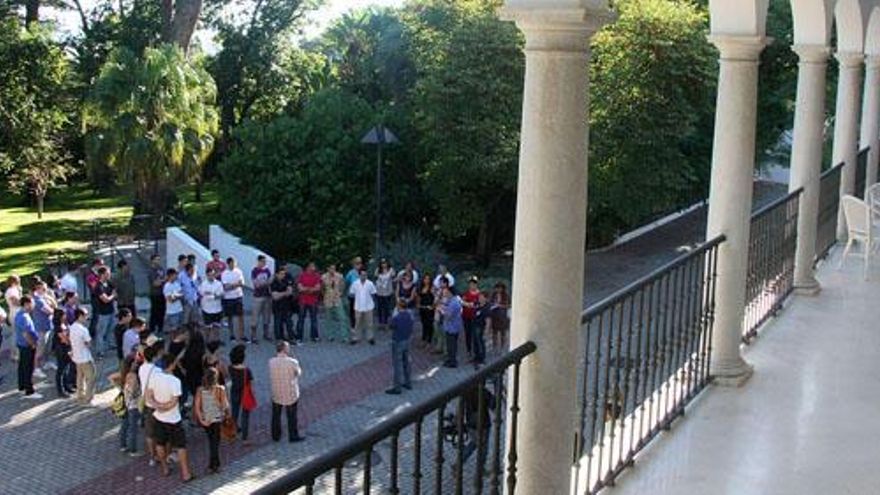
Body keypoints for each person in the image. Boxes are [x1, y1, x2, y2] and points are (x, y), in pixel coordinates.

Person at [146, 351, 195, 482]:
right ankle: (185, 473)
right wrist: (165, 407)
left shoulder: (154, 377)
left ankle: (165, 468)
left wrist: (158, 406)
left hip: (158, 417)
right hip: (173, 419)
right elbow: (174, 402)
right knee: (181, 445)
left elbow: (149, 396)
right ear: (172, 365)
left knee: (160, 443)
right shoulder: (175, 381)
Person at [194, 367, 230, 474]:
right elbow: (225, 406)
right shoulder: (220, 389)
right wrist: (226, 413)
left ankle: (213, 465)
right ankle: (214, 465)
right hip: (217, 419)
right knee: (215, 442)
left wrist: (201, 420)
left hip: (206, 420)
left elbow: (197, 407)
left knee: (211, 441)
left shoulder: (200, 390)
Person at [269, 340, 305, 442]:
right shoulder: (292, 362)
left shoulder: (271, 361)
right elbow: (298, 373)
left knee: (276, 415)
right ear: (285, 349)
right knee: (292, 416)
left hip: (276, 392)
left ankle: (275, 435)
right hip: (290, 392)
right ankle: (293, 435)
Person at [69, 307, 97, 404]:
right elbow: (89, 343)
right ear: (80, 316)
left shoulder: (72, 327)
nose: (87, 317)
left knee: (79, 378)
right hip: (85, 357)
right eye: (85, 315)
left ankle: (80, 396)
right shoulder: (83, 330)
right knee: (91, 378)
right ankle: (88, 399)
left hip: (76, 357)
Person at [386, 300, 413, 395]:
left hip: (398, 341)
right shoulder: (409, 315)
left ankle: (397, 387)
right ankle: (408, 382)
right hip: (407, 340)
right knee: (406, 362)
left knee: (397, 365)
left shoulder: (397, 317)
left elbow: (390, 326)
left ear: (399, 307)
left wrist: (392, 316)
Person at [15, 296, 40, 398]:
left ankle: (22, 387)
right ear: (26, 304)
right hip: (26, 345)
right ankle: (29, 391)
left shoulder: (20, 314)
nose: (33, 305)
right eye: (32, 303)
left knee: (22, 366)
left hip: (22, 344)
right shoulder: (24, 317)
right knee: (28, 368)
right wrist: (32, 344)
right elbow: (26, 334)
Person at [228, 344, 253, 444]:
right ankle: (245, 438)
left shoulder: (230, 368)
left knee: (234, 413)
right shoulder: (247, 370)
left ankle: (232, 436)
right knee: (245, 415)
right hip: (245, 393)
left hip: (234, 392)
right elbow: (251, 383)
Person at [118, 356, 142, 456]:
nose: (137, 364)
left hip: (127, 403)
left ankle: (123, 445)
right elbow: (133, 392)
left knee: (125, 425)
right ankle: (133, 449)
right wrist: (139, 393)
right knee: (133, 428)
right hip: (134, 404)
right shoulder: (133, 376)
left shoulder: (125, 374)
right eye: (135, 362)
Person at [30, 279, 55, 374]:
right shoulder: (38, 300)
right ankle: (36, 368)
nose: (46, 291)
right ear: (38, 289)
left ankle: (46, 362)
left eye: (46, 289)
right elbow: (50, 311)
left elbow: (54, 306)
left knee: (47, 347)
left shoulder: (44, 299)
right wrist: (51, 304)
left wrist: (50, 300)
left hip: (47, 326)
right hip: (41, 328)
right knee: (40, 349)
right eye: (44, 289)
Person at [92, 267, 117, 356]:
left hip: (111, 310)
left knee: (110, 329)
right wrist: (112, 296)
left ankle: (109, 344)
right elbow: (105, 299)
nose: (109, 275)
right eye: (107, 273)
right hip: (102, 313)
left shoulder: (109, 283)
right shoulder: (98, 286)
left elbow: (114, 290)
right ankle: (100, 351)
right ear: (102, 274)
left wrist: (112, 296)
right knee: (101, 332)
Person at [320, 264, 348, 342]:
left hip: (337, 299)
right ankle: (330, 336)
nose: (333, 270)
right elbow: (322, 288)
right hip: (328, 299)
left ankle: (344, 336)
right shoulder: (324, 277)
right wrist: (324, 295)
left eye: (334, 268)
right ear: (328, 268)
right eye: (331, 268)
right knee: (329, 319)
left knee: (342, 318)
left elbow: (343, 285)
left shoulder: (339, 276)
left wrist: (341, 292)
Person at [349, 269, 377, 345]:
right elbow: (351, 294)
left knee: (369, 323)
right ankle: (356, 338)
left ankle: (370, 338)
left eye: (365, 275)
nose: (363, 276)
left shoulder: (370, 283)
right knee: (357, 323)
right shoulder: (355, 283)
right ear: (359, 275)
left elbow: (373, 293)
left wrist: (372, 304)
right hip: (358, 306)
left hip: (368, 307)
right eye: (362, 275)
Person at [221, 257, 246, 342]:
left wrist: (232, 285)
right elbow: (226, 287)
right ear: (228, 264)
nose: (234, 264)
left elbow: (242, 283)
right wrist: (236, 284)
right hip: (228, 298)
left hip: (238, 296)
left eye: (234, 263)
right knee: (230, 317)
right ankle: (232, 335)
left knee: (241, 316)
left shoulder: (239, 271)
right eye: (232, 263)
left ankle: (242, 335)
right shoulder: (224, 273)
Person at [52, 309, 75, 397]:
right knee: (61, 370)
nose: (66, 316)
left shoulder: (64, 324)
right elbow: (64, 339)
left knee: (66, 368)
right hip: (61, 350)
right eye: (64, 314)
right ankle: (60, 390)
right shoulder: (58, 327)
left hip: (66, 348)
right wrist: (71, 343)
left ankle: (66, 386)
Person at [296, 262, 322, 343]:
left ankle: (314, 336)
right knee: (301, 319)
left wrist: (306, 289)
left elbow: (318, 288)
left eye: (314, 266)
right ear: (308, 267)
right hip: (303, 301)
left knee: (314, 319)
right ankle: (299, 337)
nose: (314, 268)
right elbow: (299, 288)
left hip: (313, 301)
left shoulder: (317, 276)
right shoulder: (302, 276)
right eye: (312, 266)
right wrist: (311, 289)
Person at [199, 268, 225, 344]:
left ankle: (216, 341)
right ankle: (206, 342)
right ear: (207, 275)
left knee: (217, 326)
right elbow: (203, 294)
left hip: (217, 309)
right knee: (207, 328)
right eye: (210, 275)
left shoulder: (219, 283)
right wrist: (214, 295)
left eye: (213, 274)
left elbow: (221, 295)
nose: (212, 276)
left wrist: (213, 295)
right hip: (207, 309)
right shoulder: (203, 284)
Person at [251, 255, 273, 342]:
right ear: (259, 261)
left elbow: (270, 282)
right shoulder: (255, 271)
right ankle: (253, 336)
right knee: (255, 316)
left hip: (267, 295)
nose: (264, 263)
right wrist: (266, 282)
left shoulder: (267, 271)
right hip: (258, 296)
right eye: (263, 261)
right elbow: (256, 284)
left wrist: (265, 283)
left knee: (267, 316)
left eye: (265, 261)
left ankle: (266, 334)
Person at [440, 286, 463, 368]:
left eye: (447, 292)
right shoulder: (456, 300)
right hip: (455, 326)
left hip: (451, 328)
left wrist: (442, 311)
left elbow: (448, 316)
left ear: (450, 293)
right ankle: (450, 359)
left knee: (451, 345)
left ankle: (452, 362)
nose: (445, 293)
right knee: (452, 345)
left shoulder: (454, 303)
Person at [270, 266, 294, 342]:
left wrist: (281, 293)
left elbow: (290, 292)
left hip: (286, 305)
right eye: (281, 274)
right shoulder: (274, 283)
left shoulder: (286, 281)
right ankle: (279, 338)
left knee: (289, 322)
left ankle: (290, 337)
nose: (283, 275)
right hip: (277, 306)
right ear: (276, 274)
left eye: (284, 274)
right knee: (278, 323)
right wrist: (284, 293)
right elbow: (275, 296)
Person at [461, 276, 481, 358]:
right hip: (466, 317)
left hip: (475, 318)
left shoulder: (479, 294)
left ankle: (476, 352)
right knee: (467, 334)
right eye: (470, 284)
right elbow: (462, 302)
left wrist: (472, 305)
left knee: (475, 335)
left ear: (476, 285)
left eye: (473, 284)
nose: (472, 285)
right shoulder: (466, 293)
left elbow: (480, 304)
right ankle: (469, 351)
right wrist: (468, 304)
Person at [148, 254, 167, 335]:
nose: (158, 261)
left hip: (162, 293)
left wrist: (163, 280)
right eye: (156, 259)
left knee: (162, 312)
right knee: (154, 312)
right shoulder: (151, 270)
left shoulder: (161, 269)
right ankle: (152, 329)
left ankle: (160, 328)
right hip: (155, 294)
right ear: (152, 260)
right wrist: (163, 280)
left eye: (159, 259)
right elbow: (155, 283)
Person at [374, 259, 396, 330]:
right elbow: (375, 276)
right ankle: (380, 323)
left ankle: (386, 323)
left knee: (386, 308)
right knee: (380, 308)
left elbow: (393, 277)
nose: (384, 265)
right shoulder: (378, 270)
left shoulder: (391, 270)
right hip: (379, 291)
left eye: (385, 263)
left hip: (388, 292)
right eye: (382, 263)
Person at [490, 282, 510, 353]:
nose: (498, 289)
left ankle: (502, 347)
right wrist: (494, 305)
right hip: (495, 316)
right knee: (494, 332)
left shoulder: (506, 296)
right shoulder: (493, 295)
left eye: (500, 288)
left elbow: (508, 306)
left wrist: (500, 305)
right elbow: (490, 303)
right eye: (497, 288)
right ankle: (494, 347)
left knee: (503, 333)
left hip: (503, 316)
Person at [472, 292, 491, 368]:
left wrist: (486, 331)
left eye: (481, 297)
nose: (480, 298)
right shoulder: (478, 305)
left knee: (481, 344)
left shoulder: (486, 308)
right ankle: (476, 358)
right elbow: (470, 305)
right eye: (479, 297)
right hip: (475, 326)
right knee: (475, 343)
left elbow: (488, 320)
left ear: (485, 298)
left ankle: (482, 359)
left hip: (481, 328)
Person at [344, 257, 363, 330]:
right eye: (357, 264)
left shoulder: (362, 272)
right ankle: (353, 325)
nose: (359, 265)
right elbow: (347, 282)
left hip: (361, 295)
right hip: (353, 295)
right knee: (352, 310)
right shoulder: (351, 273)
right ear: (354, 264)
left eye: (360, 263)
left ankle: (360, 324)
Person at [163, 268, 184, 333]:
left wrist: (175, 296)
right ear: (171, 275)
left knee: (180, 328)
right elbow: (170, 300)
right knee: (173, 330)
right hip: (172, 312)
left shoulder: (177, 284)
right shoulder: (167, 286)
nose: (176, 276)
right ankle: (173, 342)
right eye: (175, 275)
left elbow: (182, 294)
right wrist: (177, 296)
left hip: (179, 310)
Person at [418, 274, 435, 347]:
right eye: (425, 279)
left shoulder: (432, 288)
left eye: (428, 279)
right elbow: (419, 297)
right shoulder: (421, 288)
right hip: (422, 307)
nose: (426, 281)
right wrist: (418, 304)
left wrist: (432, 306)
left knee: (429, 324)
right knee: (424, 324)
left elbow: (435, 298)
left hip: (429, 308)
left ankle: (429, 341)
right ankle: (424, 339)